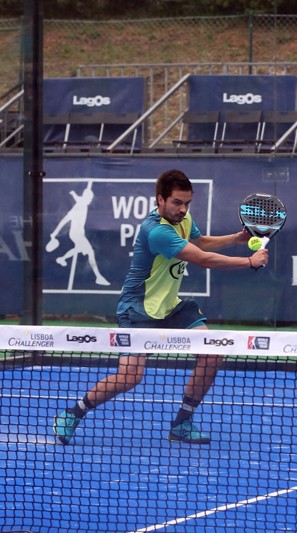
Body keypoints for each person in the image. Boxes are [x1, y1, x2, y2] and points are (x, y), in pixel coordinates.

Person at [52, 169, 268, 445]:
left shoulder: (184, 219)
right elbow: (203, 259)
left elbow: (199, 242)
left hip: (171, 306)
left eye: (187, 203)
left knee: (212, 353)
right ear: (161, 200)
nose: (183, 209)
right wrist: (249, 262)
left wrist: (235, 239)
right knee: (130, 377)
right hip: (138, 310)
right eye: (177, 203)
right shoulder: (156, 232)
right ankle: (73, 413)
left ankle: (182, 423)